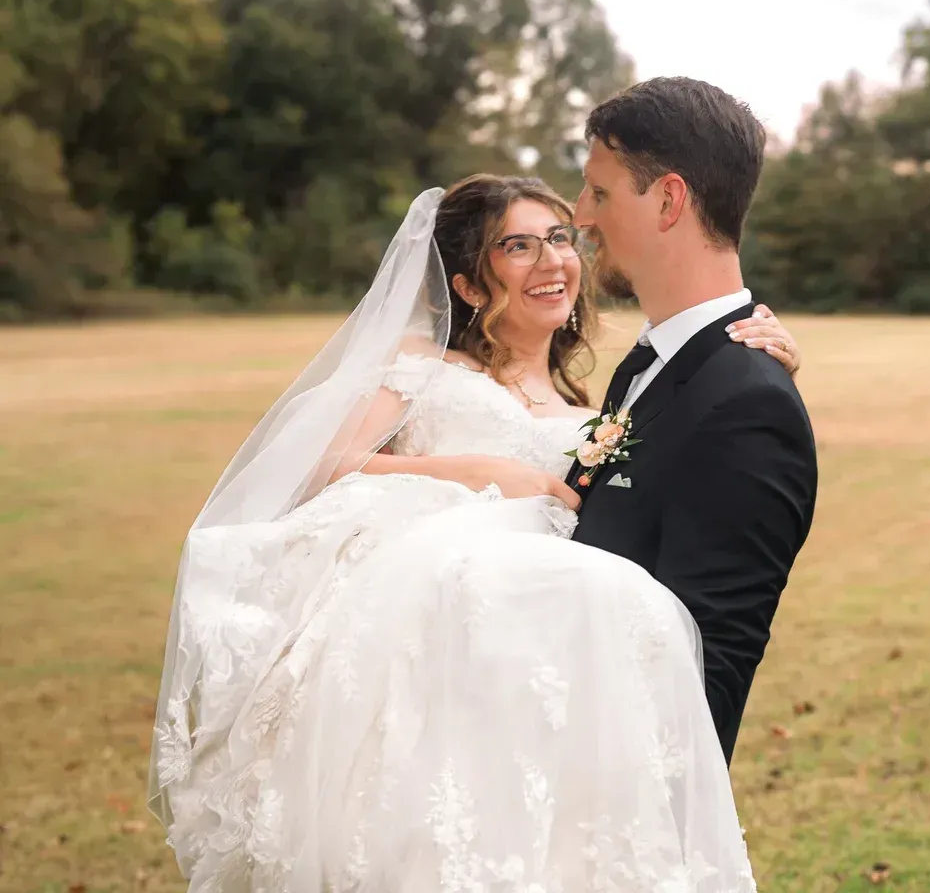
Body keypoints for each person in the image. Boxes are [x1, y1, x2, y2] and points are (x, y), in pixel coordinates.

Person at [148, 171, 805, 892]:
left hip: (529, 662)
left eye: (559, 239)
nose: (553, 260)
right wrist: (470, 470)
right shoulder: (425, 369)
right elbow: (319, 468)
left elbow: (680, 450)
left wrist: (753, 359)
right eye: (516, 247)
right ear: (466, 285)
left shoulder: (603, 398)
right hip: (429, 640)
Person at [569, 77, 819, 761]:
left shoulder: (748, 406)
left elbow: (705, 675)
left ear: (669, 200)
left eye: (599, 192)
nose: (580, 216)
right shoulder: (642, 367)